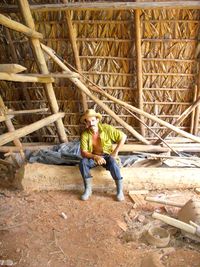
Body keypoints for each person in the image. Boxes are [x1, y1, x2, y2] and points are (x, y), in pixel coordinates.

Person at [79, 109, 127, 201]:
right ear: (86, 123)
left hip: (107, 156)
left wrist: (115, 152)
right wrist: (95, 157)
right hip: (94, 157)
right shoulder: (85, 134)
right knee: (83, 162)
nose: (91, 123)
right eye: (88, 121)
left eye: (93, 120)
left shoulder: (106, 128)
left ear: (97, 120)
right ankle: (88, 190)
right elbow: (83, 152)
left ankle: (119, 191)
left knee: (113, 163)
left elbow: (123, 137)